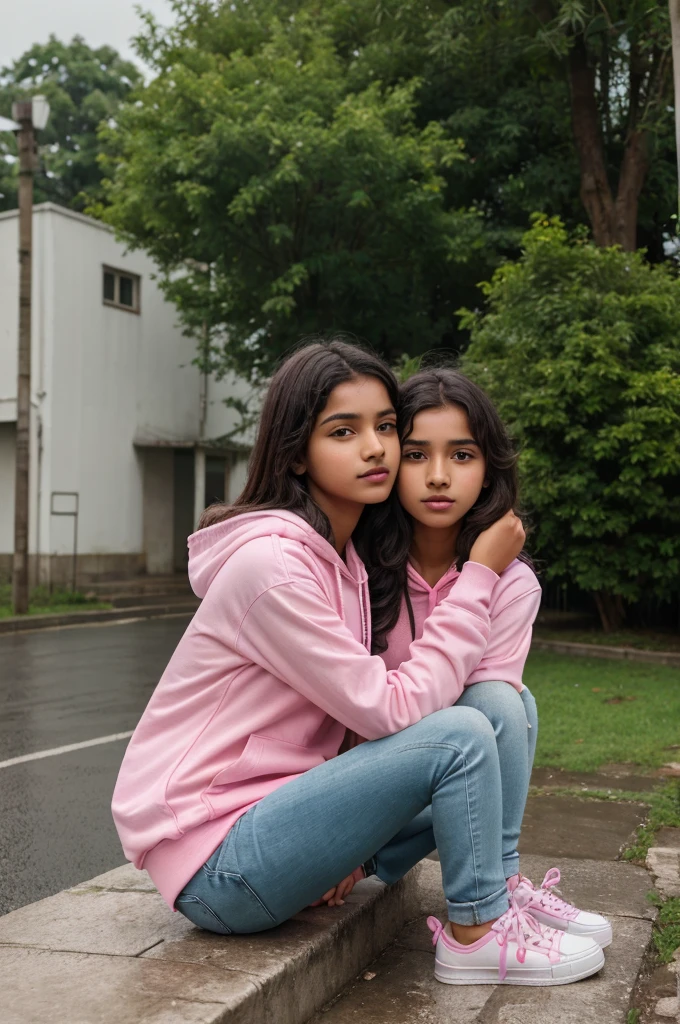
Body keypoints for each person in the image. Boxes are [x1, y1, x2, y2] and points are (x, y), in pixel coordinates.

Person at [111, 339, 604, 986]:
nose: (375, 448)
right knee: (461, 739)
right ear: (295, 452)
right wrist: (478, 574)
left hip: (280, 825)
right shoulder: (275, 569)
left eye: (385, 427)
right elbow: (389, 709)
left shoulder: (340, 562)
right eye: (344, 431)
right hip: (219, 863)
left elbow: (345, 726)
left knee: (506, 712)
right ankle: (477, 932)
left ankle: (499, 892)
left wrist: (339, 840)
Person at [354, 367, 612, 972]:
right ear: (391, 459)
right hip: (355, 791)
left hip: (435, 782)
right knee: (497, 708)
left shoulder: (514, 582)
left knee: (507, 703)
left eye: (461, 455)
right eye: (417, 454)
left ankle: (501, 881)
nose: (438, 476)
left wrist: (484, 573)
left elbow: (478, 722)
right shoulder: (358, 567)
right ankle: (490, 898)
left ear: (489, 467)